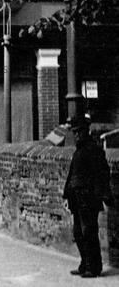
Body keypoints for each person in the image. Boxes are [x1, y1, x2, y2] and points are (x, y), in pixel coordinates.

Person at [62, 116, 113, 278]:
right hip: (76, 198)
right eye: (75, 133)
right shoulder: (79, 150)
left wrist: (102, 195)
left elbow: (102, 173)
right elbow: (72, 175)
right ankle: (85, 263)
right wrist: (66, 194)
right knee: (78, 232)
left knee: (89, 232)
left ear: (86, 132)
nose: (77, 135)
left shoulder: (93, 149)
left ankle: (94, 266)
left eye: (79, 132)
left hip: (88, 197)